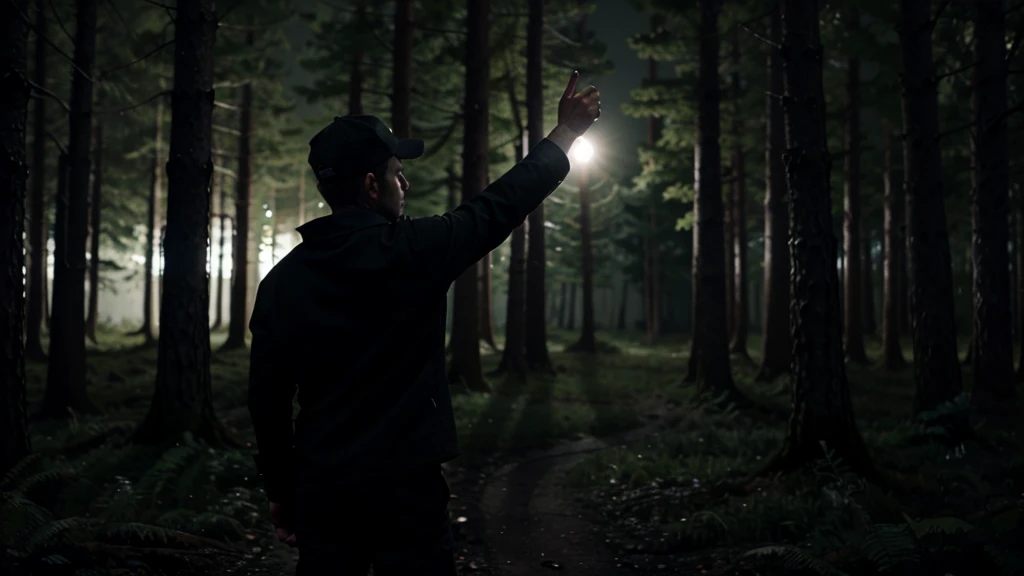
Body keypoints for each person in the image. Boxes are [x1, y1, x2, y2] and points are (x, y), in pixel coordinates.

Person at [247, 71, 600, 575]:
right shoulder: (415, 251)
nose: (404, 183)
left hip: (324, 491)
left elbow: (268, 403)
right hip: (406, 490)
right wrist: (565, 134)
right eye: (396, 172)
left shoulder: (280, 283)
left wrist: (282, 491)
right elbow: (501, 205)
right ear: (372, 185)